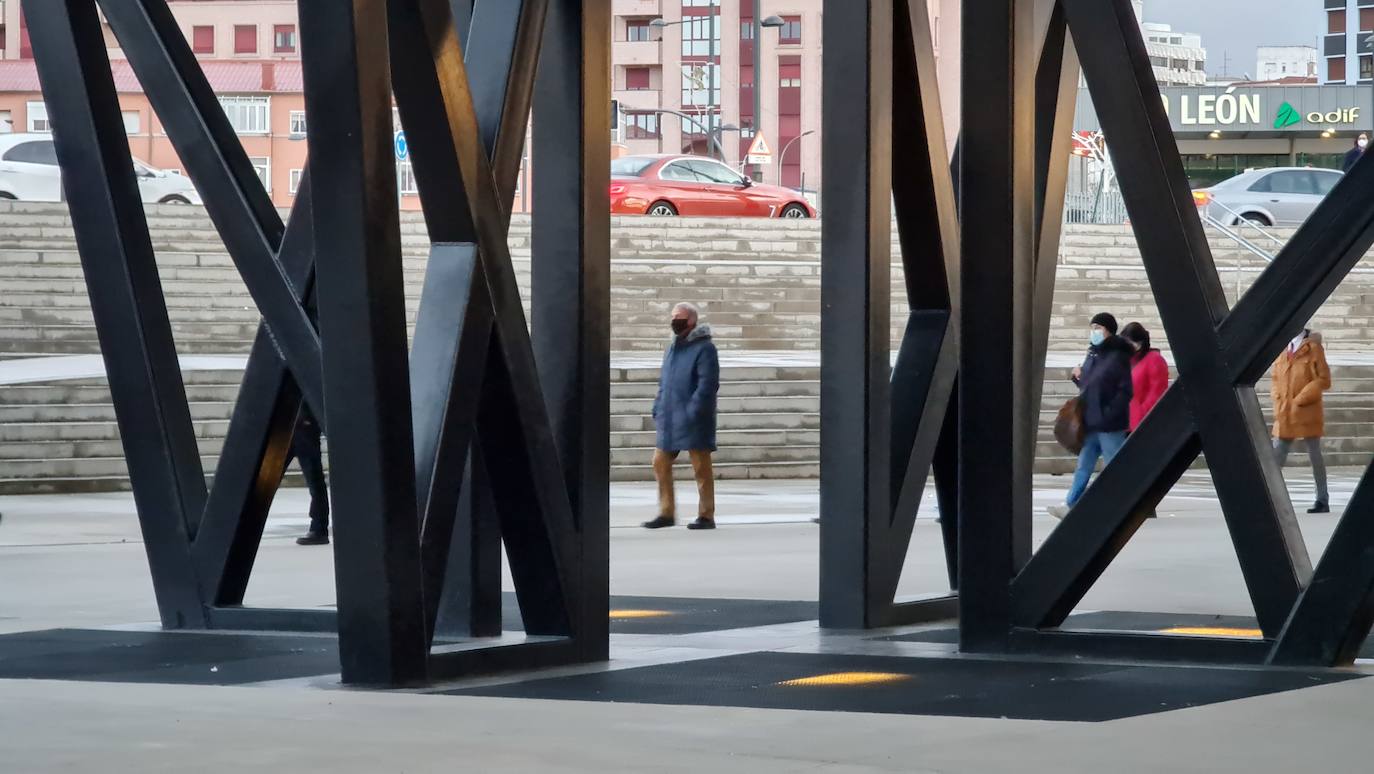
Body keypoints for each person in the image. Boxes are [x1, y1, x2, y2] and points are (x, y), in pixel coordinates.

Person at [643, 302, 721, 530]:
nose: (674, 320)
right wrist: (658, 406)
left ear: (692, 321)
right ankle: (666, 512)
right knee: (659, 462)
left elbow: (708, 384)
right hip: (669, 416)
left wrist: (694, 410)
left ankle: (706, 515)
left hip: (693, 419)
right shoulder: (671, 348)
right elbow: (664, 382)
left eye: (680, 317)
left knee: (701, 468)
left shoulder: (705, 349)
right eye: (673, 316)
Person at [1049, 313, 1134, 519]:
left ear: (1109, 330)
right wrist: (1077, 378)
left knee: (1114, 467)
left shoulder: (1118, 356)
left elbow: (1125, 391)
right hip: (1090, 422)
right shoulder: (1093, 354)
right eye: (1093, 327)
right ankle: (1071, 503)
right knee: (1084, 466)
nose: (1094, 331)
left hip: (1109, 424)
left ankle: (1122, 505)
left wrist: (1108, 414)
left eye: (1099, 327)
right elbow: (1090, 387)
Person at [1272, 328, 1331, 514]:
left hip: (1306, 410)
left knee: (1315, 456)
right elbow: (1276, 377)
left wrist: (1302, 398)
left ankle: (1322, 500)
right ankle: (1269, 498)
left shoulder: (1313, 348)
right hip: (1285, 412)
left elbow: (1324, 379)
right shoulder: (1283, 347)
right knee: (1275, 458)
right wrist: (1277, 397)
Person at [288, 404, 331, 545]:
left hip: (303, 426)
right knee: (315, 479)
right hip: (296, 423)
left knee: (314, 479)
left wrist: (307, 415)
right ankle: (319, 528)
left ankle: (319, 528)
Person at [1120, 322, 1169, 431]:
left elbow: (1157, 393)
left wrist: (1140, 414)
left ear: (1139, 343)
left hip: (1142, 424)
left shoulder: (1154, 359)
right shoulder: (1126, 360)